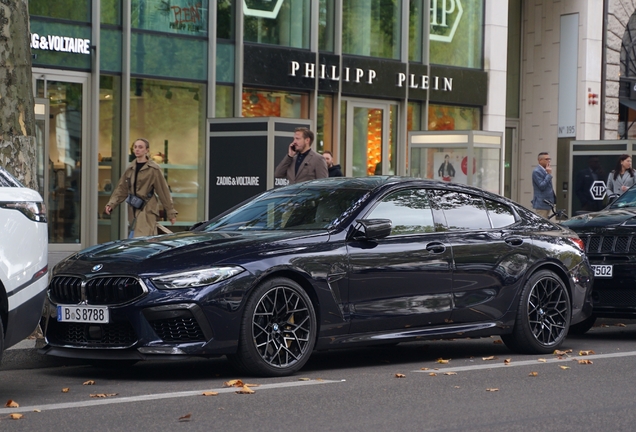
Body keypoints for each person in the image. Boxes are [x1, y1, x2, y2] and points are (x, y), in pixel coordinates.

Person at [104, 138, 177, 237]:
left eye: (140, 147)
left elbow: (163, 191)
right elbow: (122, 189)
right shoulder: (130, 168)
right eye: (135, 147)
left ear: (147, 150)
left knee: (142, 238)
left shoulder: (153, 169)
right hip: (133, 208)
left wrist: (171, 213)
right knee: (138, 237)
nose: (137, 149)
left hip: (147, 209)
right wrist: (111, 204)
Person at [531, 152, 556, 218]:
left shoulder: (545, 170)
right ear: (540, 160)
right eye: (546, 159)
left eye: (549, 159)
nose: (549, 161)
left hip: (548, 203)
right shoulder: (536, 171)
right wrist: (548, 175)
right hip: (541, 203)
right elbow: (542, 186)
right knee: (541, 224)